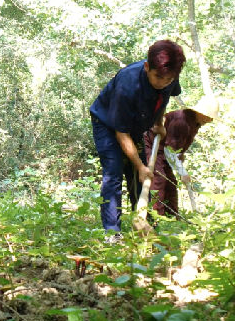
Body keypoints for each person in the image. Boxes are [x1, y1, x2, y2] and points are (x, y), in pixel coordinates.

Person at [89, 40, 185, 241]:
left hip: (136, 124)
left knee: (141, 177)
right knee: (114, 172)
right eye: (158, 77)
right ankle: (112, 232)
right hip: (108, 123)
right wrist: (140, 165)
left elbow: (163, 99)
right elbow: (121, 133)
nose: (163, 82)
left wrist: (158, 122)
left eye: (169, 79)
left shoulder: (169, 75)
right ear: (147, 67)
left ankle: (142, 222)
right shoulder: (128, 84)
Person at [143, 94, 219, 218]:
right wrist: (182, 172)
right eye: (208, 116)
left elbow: (176, 148)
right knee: (158, 181)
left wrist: (180, 156)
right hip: (153, 147)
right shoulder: (182, 121)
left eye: (211, 118)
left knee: (171, 184)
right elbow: (170, 150)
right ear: (199, 111)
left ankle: (172, 219)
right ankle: (155, 219)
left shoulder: (195, 123)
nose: (209, 120)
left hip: (165, 152)